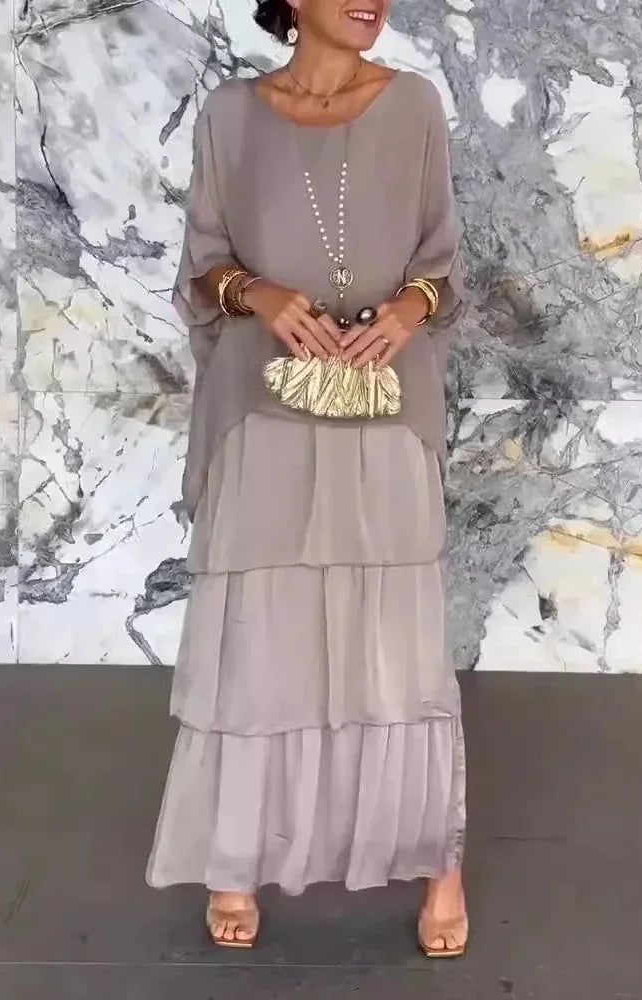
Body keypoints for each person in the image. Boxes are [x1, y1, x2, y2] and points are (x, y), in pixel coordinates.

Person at [146, 0, 469, 959]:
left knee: (398, 642)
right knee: (259, 635)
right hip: (263, 406)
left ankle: (439, 862)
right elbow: (202, 268)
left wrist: (410, 309)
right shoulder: (230, 115)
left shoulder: (414, 106)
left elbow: (444, 263)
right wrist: (256, 291)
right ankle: (235, 857)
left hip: (385, 404)